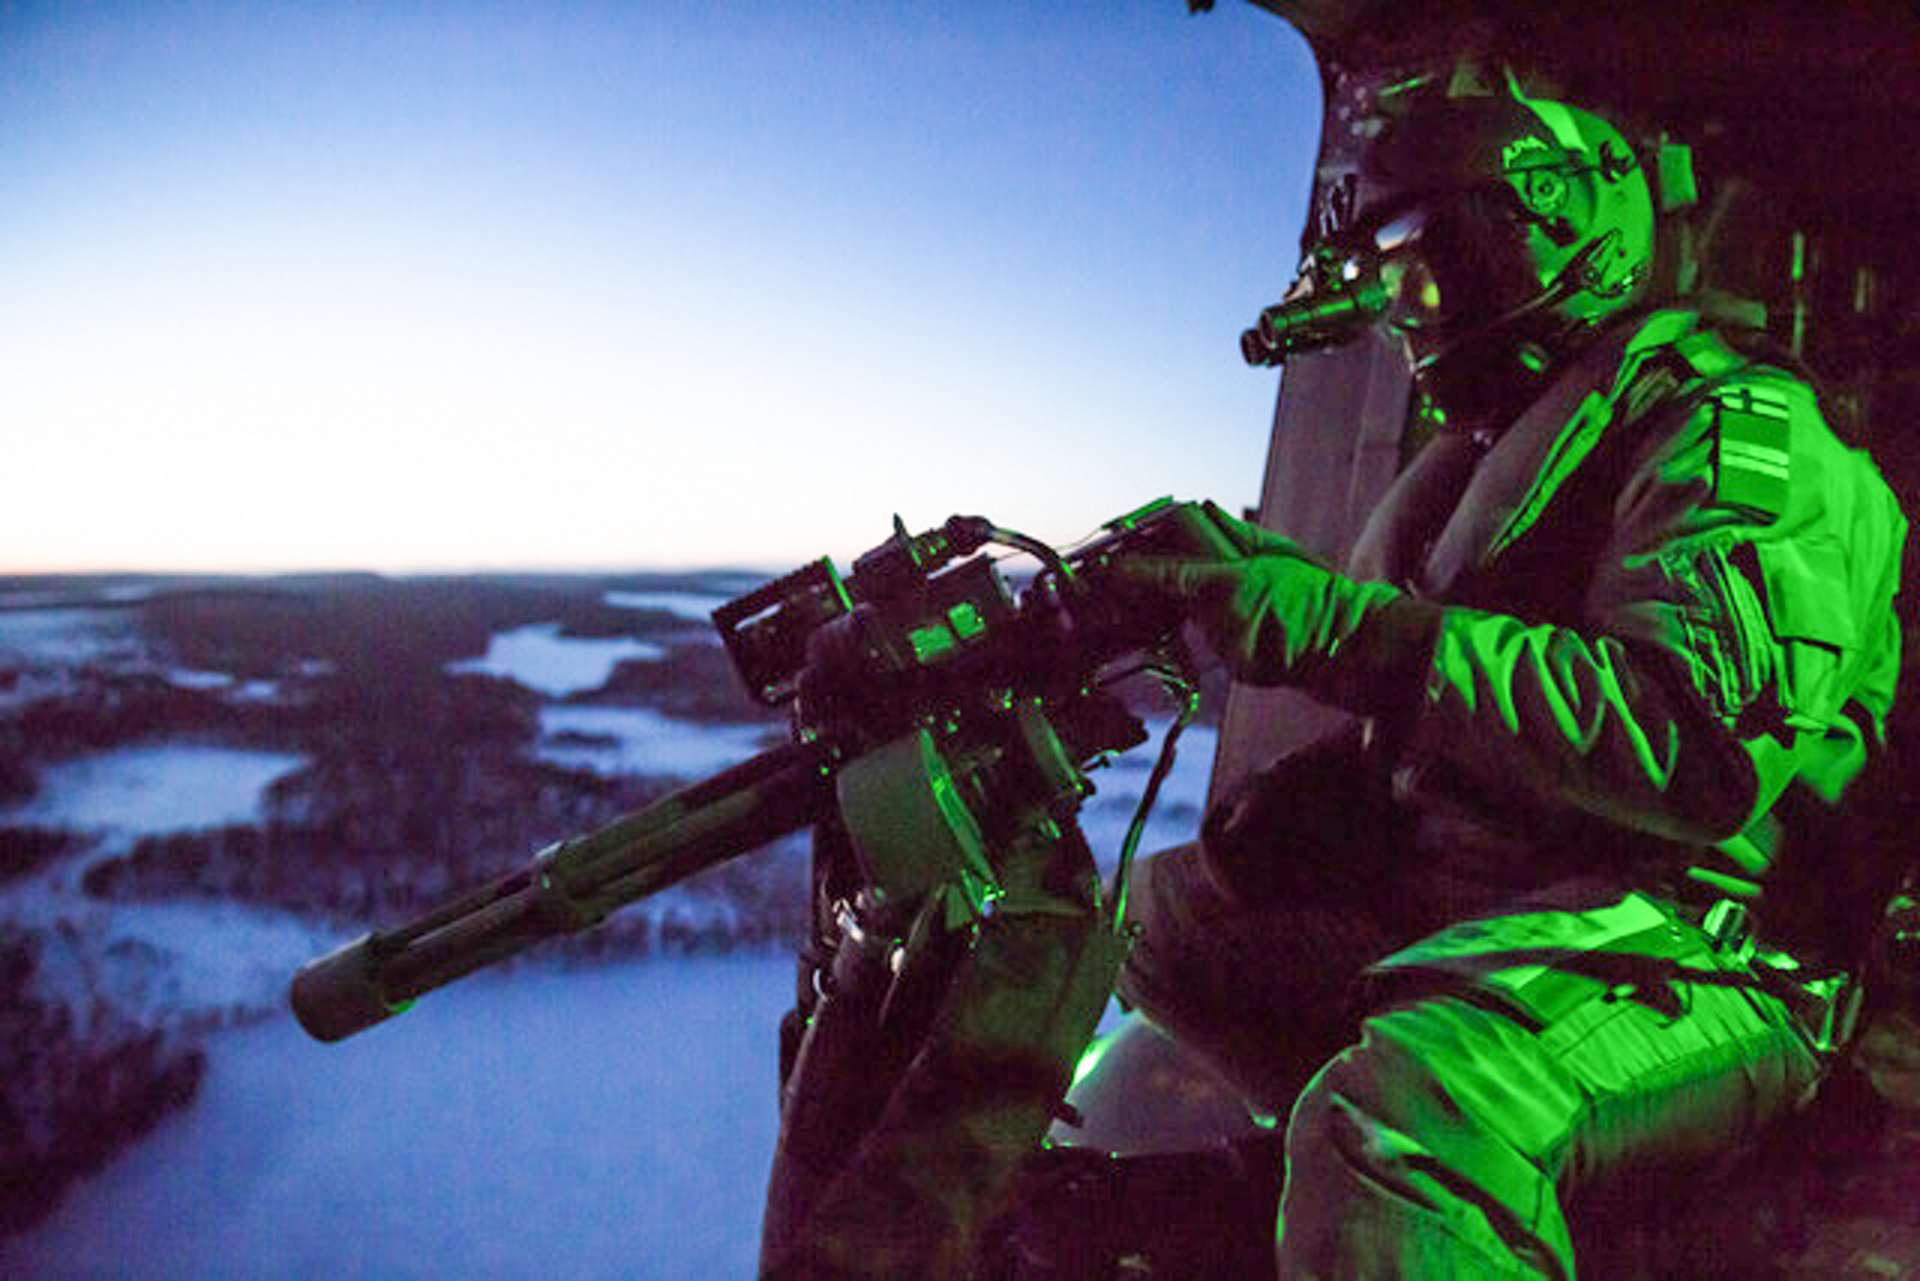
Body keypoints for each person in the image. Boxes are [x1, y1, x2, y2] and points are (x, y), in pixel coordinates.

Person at [1112, 74, 1908, 1275]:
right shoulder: (1513, 443)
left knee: (1403, 1122)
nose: (1407, 305)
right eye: (1390, 277)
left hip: (1707, 946)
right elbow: (1469, 686)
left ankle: (1405, 1191)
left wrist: (1342, 633)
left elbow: (1693, 747)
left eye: (1429, 261)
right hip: (1524, 894)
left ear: (1543, 223)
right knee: (1158, 922)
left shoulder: (1739, 426)